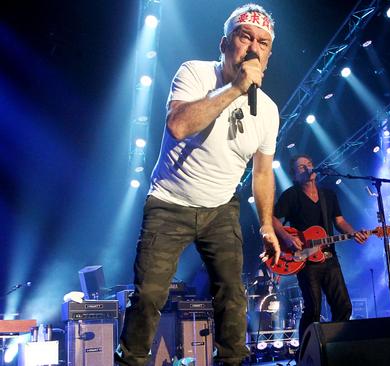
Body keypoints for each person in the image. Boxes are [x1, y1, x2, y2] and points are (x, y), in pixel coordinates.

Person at [115, 4, 280, 366]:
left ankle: (233, 361)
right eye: (245, 37)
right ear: (225, 44)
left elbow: (263, 172)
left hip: (221, 208)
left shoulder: (268, 110)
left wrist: (267, 223)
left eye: (263, 43)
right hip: (170, 202)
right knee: (149, 296)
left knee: (233, 295)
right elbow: (179, 125)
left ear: (268, 55)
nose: (254, 47)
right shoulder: (194, 72)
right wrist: (236, 88)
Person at [272, 154, 369, 343]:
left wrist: (354, 232)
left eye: (309, 164)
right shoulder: (291, 195)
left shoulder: (328, 195)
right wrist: (287, 237)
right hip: (305, 260)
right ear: (294, 174)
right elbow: (273, 219)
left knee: (343, 306)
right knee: (313, 309)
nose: (307, 168)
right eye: (301, 167)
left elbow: (339, 220)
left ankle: (334, 347)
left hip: (329, 257)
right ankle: (306, 353)